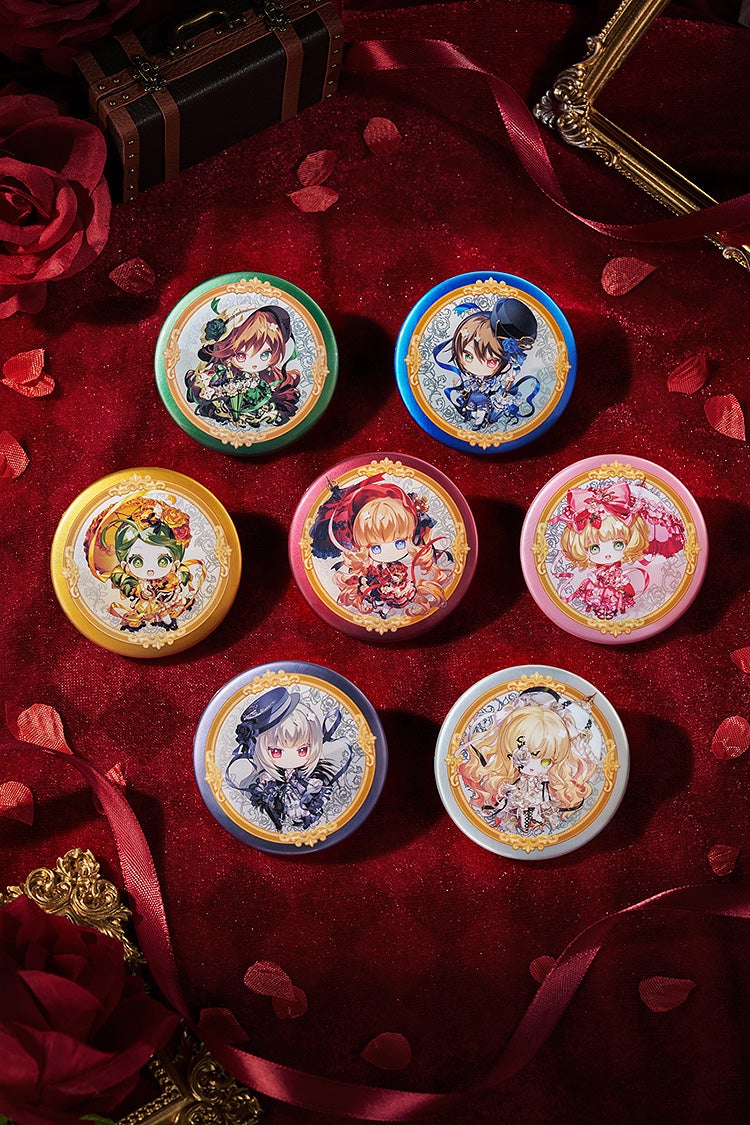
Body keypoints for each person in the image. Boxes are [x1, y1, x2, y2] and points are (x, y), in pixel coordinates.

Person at [309, 474, 452, 618]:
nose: (389, 553)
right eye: (376, 548)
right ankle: (383, 609)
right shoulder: (370, 567)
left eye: (400, 543)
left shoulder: (412, 561)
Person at [84, 495, 206, 631]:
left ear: (175, 564)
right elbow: (129, 587)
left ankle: (179, 608)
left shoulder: (172, 576)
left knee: (173, 602)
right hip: (149, 603)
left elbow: (179, 580)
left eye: (162, 561)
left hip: (167, 597)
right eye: (137, 562)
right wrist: (142, 593)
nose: (150, 570)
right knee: (158, 611)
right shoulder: (133, 582)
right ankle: (165, 622)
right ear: (125, 566)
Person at [186, 304, 301, 428]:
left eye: (265, 354)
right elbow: (204, 401)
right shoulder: (221, 377)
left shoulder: (273, 378)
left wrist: (271, 412)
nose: (254, 363)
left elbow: (286, 402)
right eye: (241, 355)